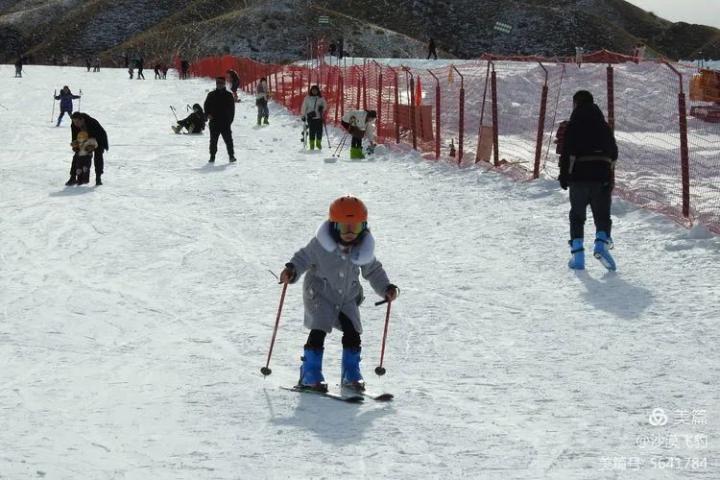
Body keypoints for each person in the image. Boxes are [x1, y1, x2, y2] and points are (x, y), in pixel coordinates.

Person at [279, 195, 398, 392]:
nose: (350, 233)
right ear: (334, 226)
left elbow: (374, 271)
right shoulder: (320, 245)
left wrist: (386, 288)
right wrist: (291, 270)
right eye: (344, 227)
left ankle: (350, 372)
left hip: (347, 297)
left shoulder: (363, 250)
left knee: (353, 332)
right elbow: (303, 258)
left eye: (356, 227)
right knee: (319, 329)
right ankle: (309, 372)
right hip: (320, 293)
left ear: (364, 226)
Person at [558, 90, 618, 271]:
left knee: (577, 216)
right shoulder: (603, 125)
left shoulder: (574, 125)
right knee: (602, 215)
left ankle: (578, 257)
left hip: (579, 177)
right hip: (601, 176)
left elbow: (567, 153)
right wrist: (609, 173)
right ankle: (601, 244)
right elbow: (613, 152)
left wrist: (564, 175)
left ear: (576, 103)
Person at [67, 112, 109, 186]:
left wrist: (90, 146)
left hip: (99, 139)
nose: (75, 124)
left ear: (82, 120)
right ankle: (72, 177)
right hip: (84, 139)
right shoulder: (73, 125)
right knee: (76, 156)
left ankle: (98, 177)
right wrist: (75, 146)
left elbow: (97, 136)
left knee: (98, 156)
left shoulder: (92, 122)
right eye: (74, 122)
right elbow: (74, 137)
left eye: (77, 122)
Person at [203, 76, 236, 163]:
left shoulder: (229, 95)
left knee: (228, 140)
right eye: (218, 83)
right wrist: (207, 114)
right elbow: (206, 106)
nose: (219, 85)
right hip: (214, 122)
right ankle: (212, 156)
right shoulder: (211, 95)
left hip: (225, 122)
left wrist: (229, 121)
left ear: (224, 84)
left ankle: (231, 156)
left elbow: (232, 110)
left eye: (221, 83)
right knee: (213, 140)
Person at [301, 85, 327, 150]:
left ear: (318, 91)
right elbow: (304, 107)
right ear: (311, 90)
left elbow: (325, 106)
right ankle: (312, 145)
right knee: (312, 132)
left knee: (319, 132)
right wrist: (303, 115)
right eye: (313, 90)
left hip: (319, 117)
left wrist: (322, 108)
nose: (314, 91)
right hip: (311, 118)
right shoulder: (307, 98)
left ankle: (318, 143)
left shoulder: (321, 98)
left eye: (316, 90)